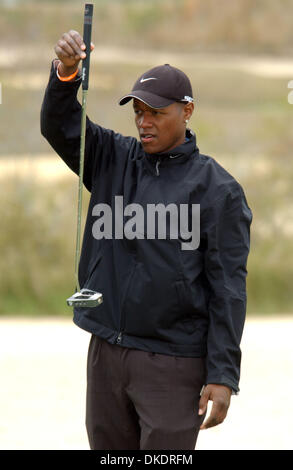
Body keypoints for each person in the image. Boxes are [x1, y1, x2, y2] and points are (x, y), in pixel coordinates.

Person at [40, 30, 252, 450]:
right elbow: (59, 126)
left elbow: (228, 290)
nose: (143, 121)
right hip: (107, 355)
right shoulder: (111, 158)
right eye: (138, 111)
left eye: (155, 112)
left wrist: (222, 374)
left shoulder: (218, 190)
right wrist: (66, 74)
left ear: (187, 111)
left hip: (173, 362)